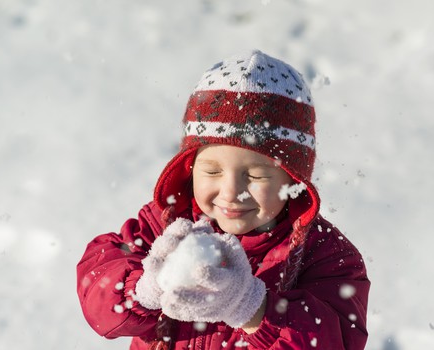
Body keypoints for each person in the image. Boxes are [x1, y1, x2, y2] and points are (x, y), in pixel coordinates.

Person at [77, 50, 370, 350]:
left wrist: (251, 307)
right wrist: (145, 288)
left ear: (293, 179)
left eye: (255, 176)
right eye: (212, 170)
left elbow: (337, 341)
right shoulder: (163, 225)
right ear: (190, 168)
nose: (231, 192)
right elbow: (97, 288)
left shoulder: (326, 255)